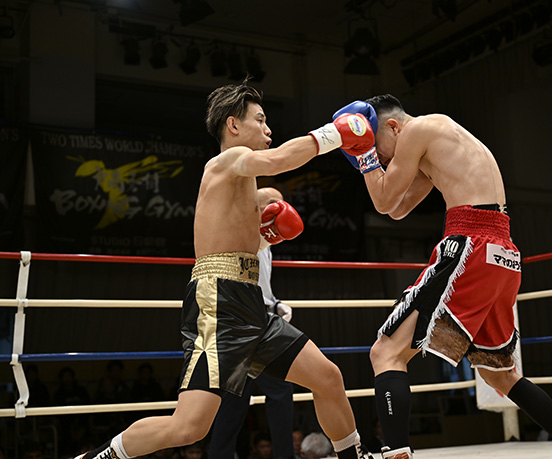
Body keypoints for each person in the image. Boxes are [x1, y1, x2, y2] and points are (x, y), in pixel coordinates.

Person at [75, 79, 376, 459]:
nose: (268, 129)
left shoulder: (243, 184)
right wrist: (335, 134)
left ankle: (354, 455)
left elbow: (243, 237)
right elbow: (278, 161)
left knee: (327, 377)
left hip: (251, 303)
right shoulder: (228, 160)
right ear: (233, 125)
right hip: (218, 302)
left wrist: (265, 236)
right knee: (188, 427)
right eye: (260, 120)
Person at [332, 96, 552, 459]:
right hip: (502, 252)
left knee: (386, 352)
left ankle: (396, 454)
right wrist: (370, 158)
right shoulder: (439, 135)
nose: (380, 157)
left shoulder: (416, 129)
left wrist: (364, 158)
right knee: (498, 373)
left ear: (392, 126)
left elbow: (380, 201)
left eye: (377, 146)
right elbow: (395, 208)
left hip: (471, 243)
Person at [208, 187, 298, 459]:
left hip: (257, 317)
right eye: (272, 203)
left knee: (236, 398)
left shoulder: (266, 242)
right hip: (244, 321)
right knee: (276, 390)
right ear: (255, 208)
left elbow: (260, 286)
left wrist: (276, 303)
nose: (279, 208)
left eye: (282, 203)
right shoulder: (238, 233)